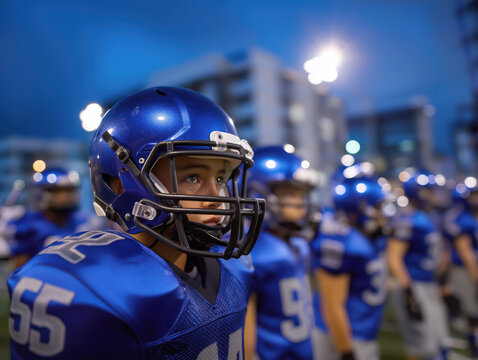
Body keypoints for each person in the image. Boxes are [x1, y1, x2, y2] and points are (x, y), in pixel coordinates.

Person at [8, 86, 265, 359]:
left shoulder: (232, 267)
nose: (217, 198)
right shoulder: (98, 288)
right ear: (121, 182)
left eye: (220, 179)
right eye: (192, 178)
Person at [244, 145, 317, 360]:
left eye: (301, 194)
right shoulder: (250, 249)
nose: (301, 203)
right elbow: (246, 344)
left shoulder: (298, 243)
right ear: (258, 193)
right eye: (290, 193)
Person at [312, 175, 388, 360]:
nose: (383, 215)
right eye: (378, 208)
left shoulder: (369, 238)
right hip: (343, 336)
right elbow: (332, 306)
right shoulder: (345, 243)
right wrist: (346, 351)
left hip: (363, 329)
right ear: (362, 209)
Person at [387, 171, 449, 360]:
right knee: (422, 347)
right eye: (429, 190)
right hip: (414, 285)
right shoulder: (408, 219)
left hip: (428, 283)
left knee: (439, 343)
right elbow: (394, 258)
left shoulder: (427, 217)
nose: (433, 195)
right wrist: (408, 291)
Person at [6, 167, 103, 270]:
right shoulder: (28, 225)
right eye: (58, 192)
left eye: (69, 191)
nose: (65, 197)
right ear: (41, 193)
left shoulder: (86, 222)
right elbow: (21, 271)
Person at [444, 183, 478, 357]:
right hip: (465, 269)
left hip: (469, 268)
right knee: (473, 311)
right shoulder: (463, 219)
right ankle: (473, 343)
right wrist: (476, 277)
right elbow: (465, 252)